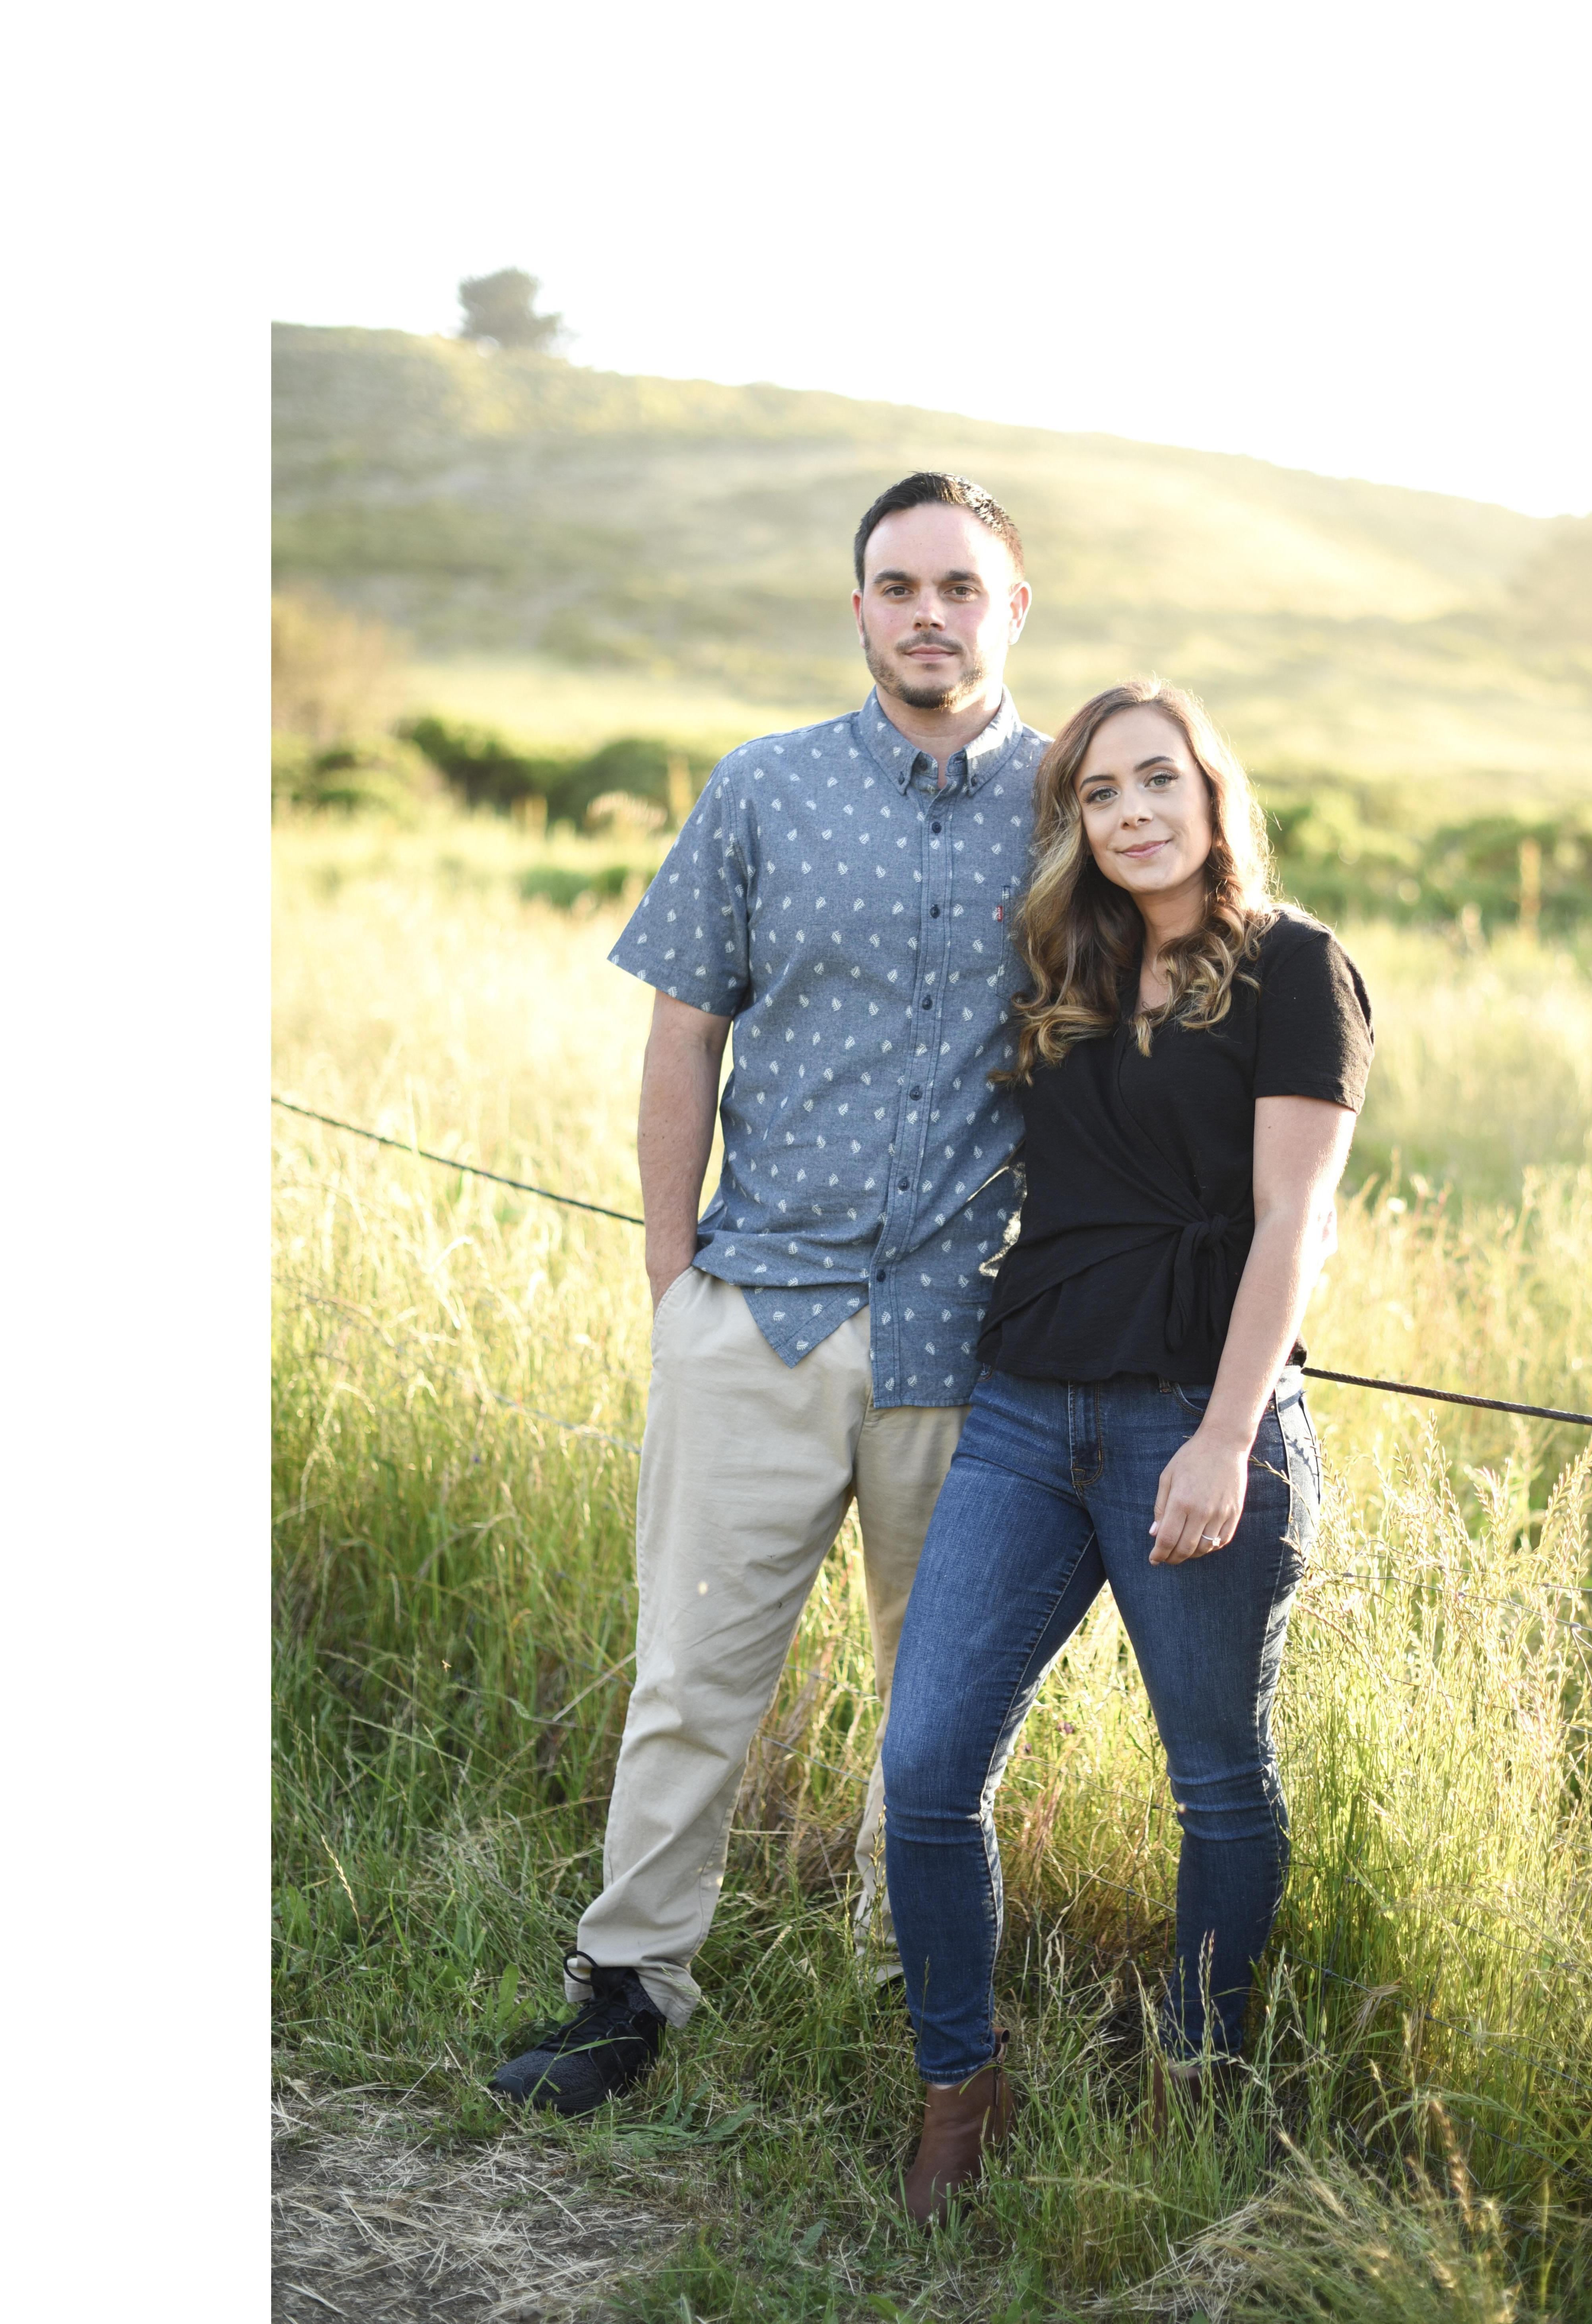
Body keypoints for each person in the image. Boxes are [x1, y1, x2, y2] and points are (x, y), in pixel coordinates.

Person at [490, 473, 1049, 2114]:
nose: (929, 614)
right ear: (858, 607)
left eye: (960, 586)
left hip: (968, 1339)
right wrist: (673, 1280)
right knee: (690, 1679)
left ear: (1013, 608)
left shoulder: (1077, 807)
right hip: (758, 1314)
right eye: (899, 586)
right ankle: (626, 1990)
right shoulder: (763, 788)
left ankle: (918, 1993)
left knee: (943, 1710)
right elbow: (684, 1032)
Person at [879, 680, 1374, 2223]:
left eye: (1160, 779)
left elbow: (1296, 1221)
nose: (1133, 813)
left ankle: (1197, 2080)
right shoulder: (1070, 963)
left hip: (1196, 1416)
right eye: (1099, 793)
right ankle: (959, 2088)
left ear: (1214, 793)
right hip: (1028, 1410)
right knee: (925, 1767)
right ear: (1075, 823)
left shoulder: (1295, 966)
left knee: (1216, 1781)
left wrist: (1227, 1436)